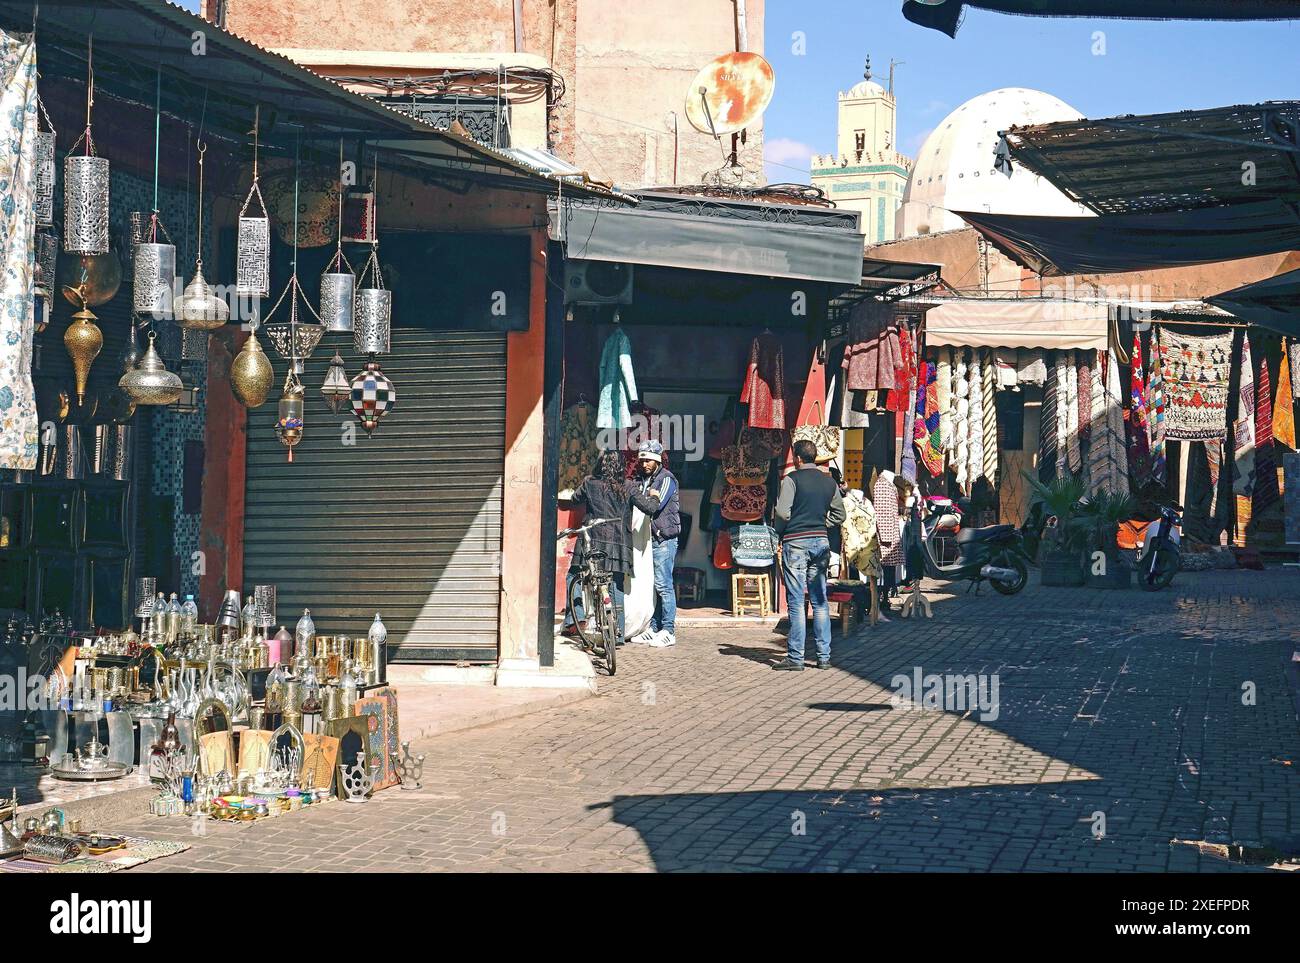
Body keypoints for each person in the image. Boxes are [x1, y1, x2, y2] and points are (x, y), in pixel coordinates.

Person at [772, 439, 845, 670]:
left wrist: (779, 531)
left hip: (796, 542)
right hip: (821, 543)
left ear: (798, 458)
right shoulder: (829, 483)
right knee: (820, 600)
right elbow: (840, 515)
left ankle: (795, 657)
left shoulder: (791, 480)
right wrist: (822, 522)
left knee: (795, 601)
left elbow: (783, 512)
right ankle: (824, 657)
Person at [561, 450, 634, 642]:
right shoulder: (628, 486)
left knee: (574, 575)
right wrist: (654, 496)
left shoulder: (590, 483)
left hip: (592, 540)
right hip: (619, 544)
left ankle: (575, 619)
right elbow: (650, 507)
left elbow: (575, 500)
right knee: (615, 585)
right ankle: (617, 634)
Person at [628, 440, 681, 646]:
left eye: (649, 460)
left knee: (663, 585)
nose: (645, 464)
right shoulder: (641, 480)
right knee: (651, 584)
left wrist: (647, 496)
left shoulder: (667, 479)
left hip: (663, 539)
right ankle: (654, 627)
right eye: (642, 460)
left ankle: (668, 630)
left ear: (658, 461)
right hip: (646, 540)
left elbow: (655, 506)